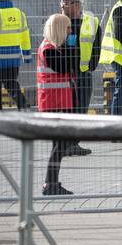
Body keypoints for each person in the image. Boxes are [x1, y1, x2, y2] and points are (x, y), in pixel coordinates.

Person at [35, 13, 76, 196]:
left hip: (60, 100)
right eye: (67, 28)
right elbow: (64, 66)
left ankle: (52, 183)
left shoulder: (56, 47)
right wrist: (71, 48)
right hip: (53, 102)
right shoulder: (48, 49)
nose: (70, 31)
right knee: (59, 145)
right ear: (59, 29)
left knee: (58, 146)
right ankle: (49, 184)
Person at [60, 0, 99, 156]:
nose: (68, 8)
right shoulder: (59, 22)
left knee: (81, 108)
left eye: (71, 4)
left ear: (78, 4)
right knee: (68, 109)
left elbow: (97, 44)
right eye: (65, 4)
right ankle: (65, 144)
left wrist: (91, 65)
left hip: (83, 72)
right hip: (66, 73)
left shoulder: (91, 20)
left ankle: (73, 143)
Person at [0, 0, 31, 110]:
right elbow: (25, 37)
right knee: (12, 84)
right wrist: (27, 56)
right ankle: (24, 106)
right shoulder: (20, 14)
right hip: (13, 60)